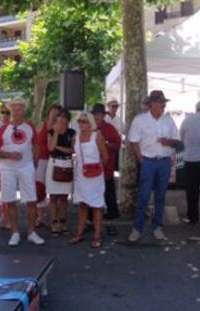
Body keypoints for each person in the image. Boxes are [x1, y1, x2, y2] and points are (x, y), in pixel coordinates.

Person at [128, 90, 180, 242]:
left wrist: (168, 142)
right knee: (144, 195)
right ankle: (137, 228)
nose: (163, 106)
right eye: (160, 103)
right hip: (148, 162)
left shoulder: (169, 120)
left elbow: (177, 141)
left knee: (161, 196)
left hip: (164, 161)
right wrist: (141, 159)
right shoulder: (140, 120)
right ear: (151, 104)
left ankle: (157, 226)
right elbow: (133, 141)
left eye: (164, 103)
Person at [0, 98, 45, 247]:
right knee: (10, 200)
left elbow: (36, 146)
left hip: (26, 167)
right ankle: (15, 233)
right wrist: (10, 155)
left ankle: (31, 232)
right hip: (7, 168)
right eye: (14, 109)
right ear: (11, 111)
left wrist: (34, 164)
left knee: (31, 200)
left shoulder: (29, 127)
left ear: (24, 111)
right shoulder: (2, 129)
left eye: (20, 109)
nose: (17, 111)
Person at [70, 112, 108, 248]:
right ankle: (79, 233)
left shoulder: (97, 136)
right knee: (82, 204)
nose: (81, 124)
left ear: (90, 122)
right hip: (81, 175)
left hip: (95, 176)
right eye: (79, 121)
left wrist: (96, 169)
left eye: (84, 121)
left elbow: (105, 156)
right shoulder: (76, 137)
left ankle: (97, 235)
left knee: (97, 206)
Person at [91, 103, 121, 236]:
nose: (97, 116)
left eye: (99, 114)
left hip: (106, 165)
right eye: (95, 114)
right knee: (93, 192)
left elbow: (117, 145)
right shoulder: (88, 128)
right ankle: (92, 216)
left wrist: (106, 144)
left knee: (108, 190)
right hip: (91, 166)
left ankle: (112, 213)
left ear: (103, 115)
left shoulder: (110, 128)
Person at [46, 108, 75, 236]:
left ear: (68, 120)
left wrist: (59, 147)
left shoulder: (72, 133)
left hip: (67, 164)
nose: (62, 120)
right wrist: (56, 132)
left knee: (64, 197)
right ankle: (54, 223)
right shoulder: (51, 132)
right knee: (53, 196)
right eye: (60, 117)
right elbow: (51, 148)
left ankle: (62, 223)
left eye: (65, 117)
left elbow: (71, 150)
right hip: (53, 163)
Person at [35, 104, 61, 227]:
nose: (54, 114)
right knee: (39, 189)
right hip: (40, 160)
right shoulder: (42, 124)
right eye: (53, 112)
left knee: (53, 190)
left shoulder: (59, 127)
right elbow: (33, 142)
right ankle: (39, 217)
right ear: (49, 112)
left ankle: (54, 219)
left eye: (57, 113)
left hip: (53, 161)